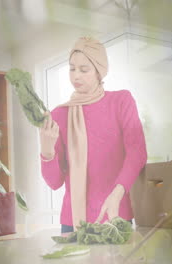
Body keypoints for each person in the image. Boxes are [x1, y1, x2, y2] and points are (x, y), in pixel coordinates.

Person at [39, 36, 147, 233]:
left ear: (99, 71)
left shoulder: (121, 101)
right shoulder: (59, 115)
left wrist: (117, 195)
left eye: (84, 69)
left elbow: (137, 153)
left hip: (115, 218)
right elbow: (54, 183)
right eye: (72, 69)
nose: (76, 76)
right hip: (72, 223)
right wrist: (46, 151)